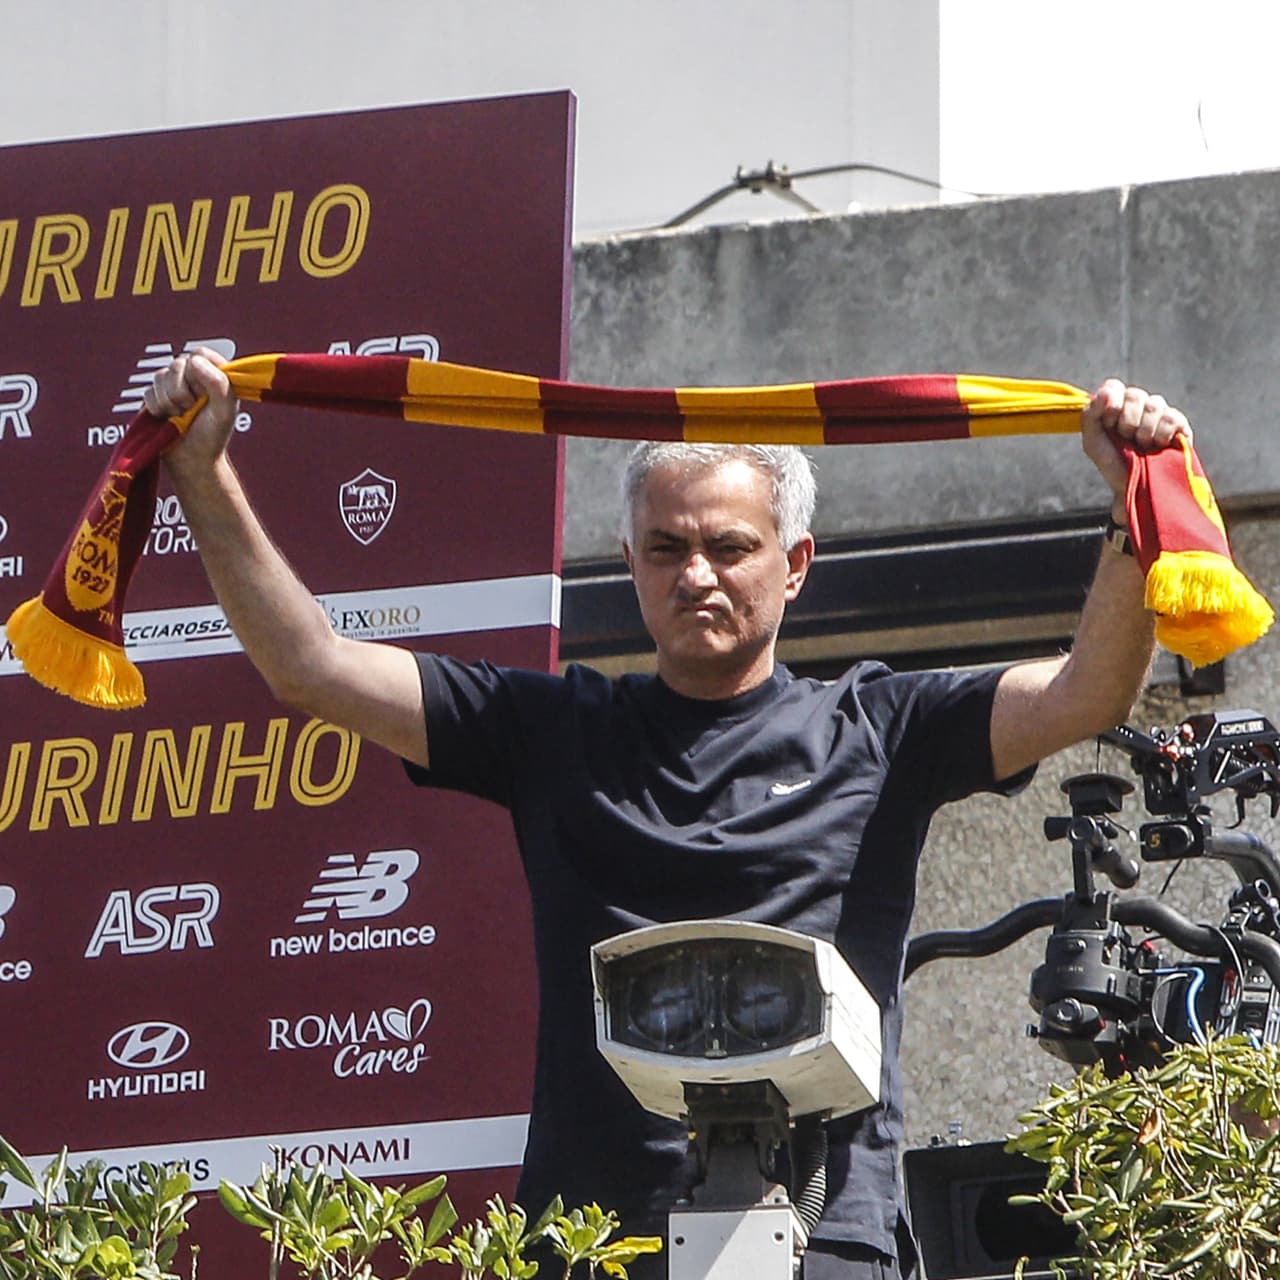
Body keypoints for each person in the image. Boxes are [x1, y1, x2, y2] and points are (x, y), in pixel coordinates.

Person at [147, 352, 1190, 1280]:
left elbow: (1081, 696)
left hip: (829, 1230)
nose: (695, 574)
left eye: (728, 546)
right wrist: (203, 472)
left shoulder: (880, 725)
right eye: (664, 547)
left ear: (794, 564)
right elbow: (314, 667)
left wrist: (1129, 509)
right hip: (595, 1237)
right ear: (630, 560)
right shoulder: (551, 729)